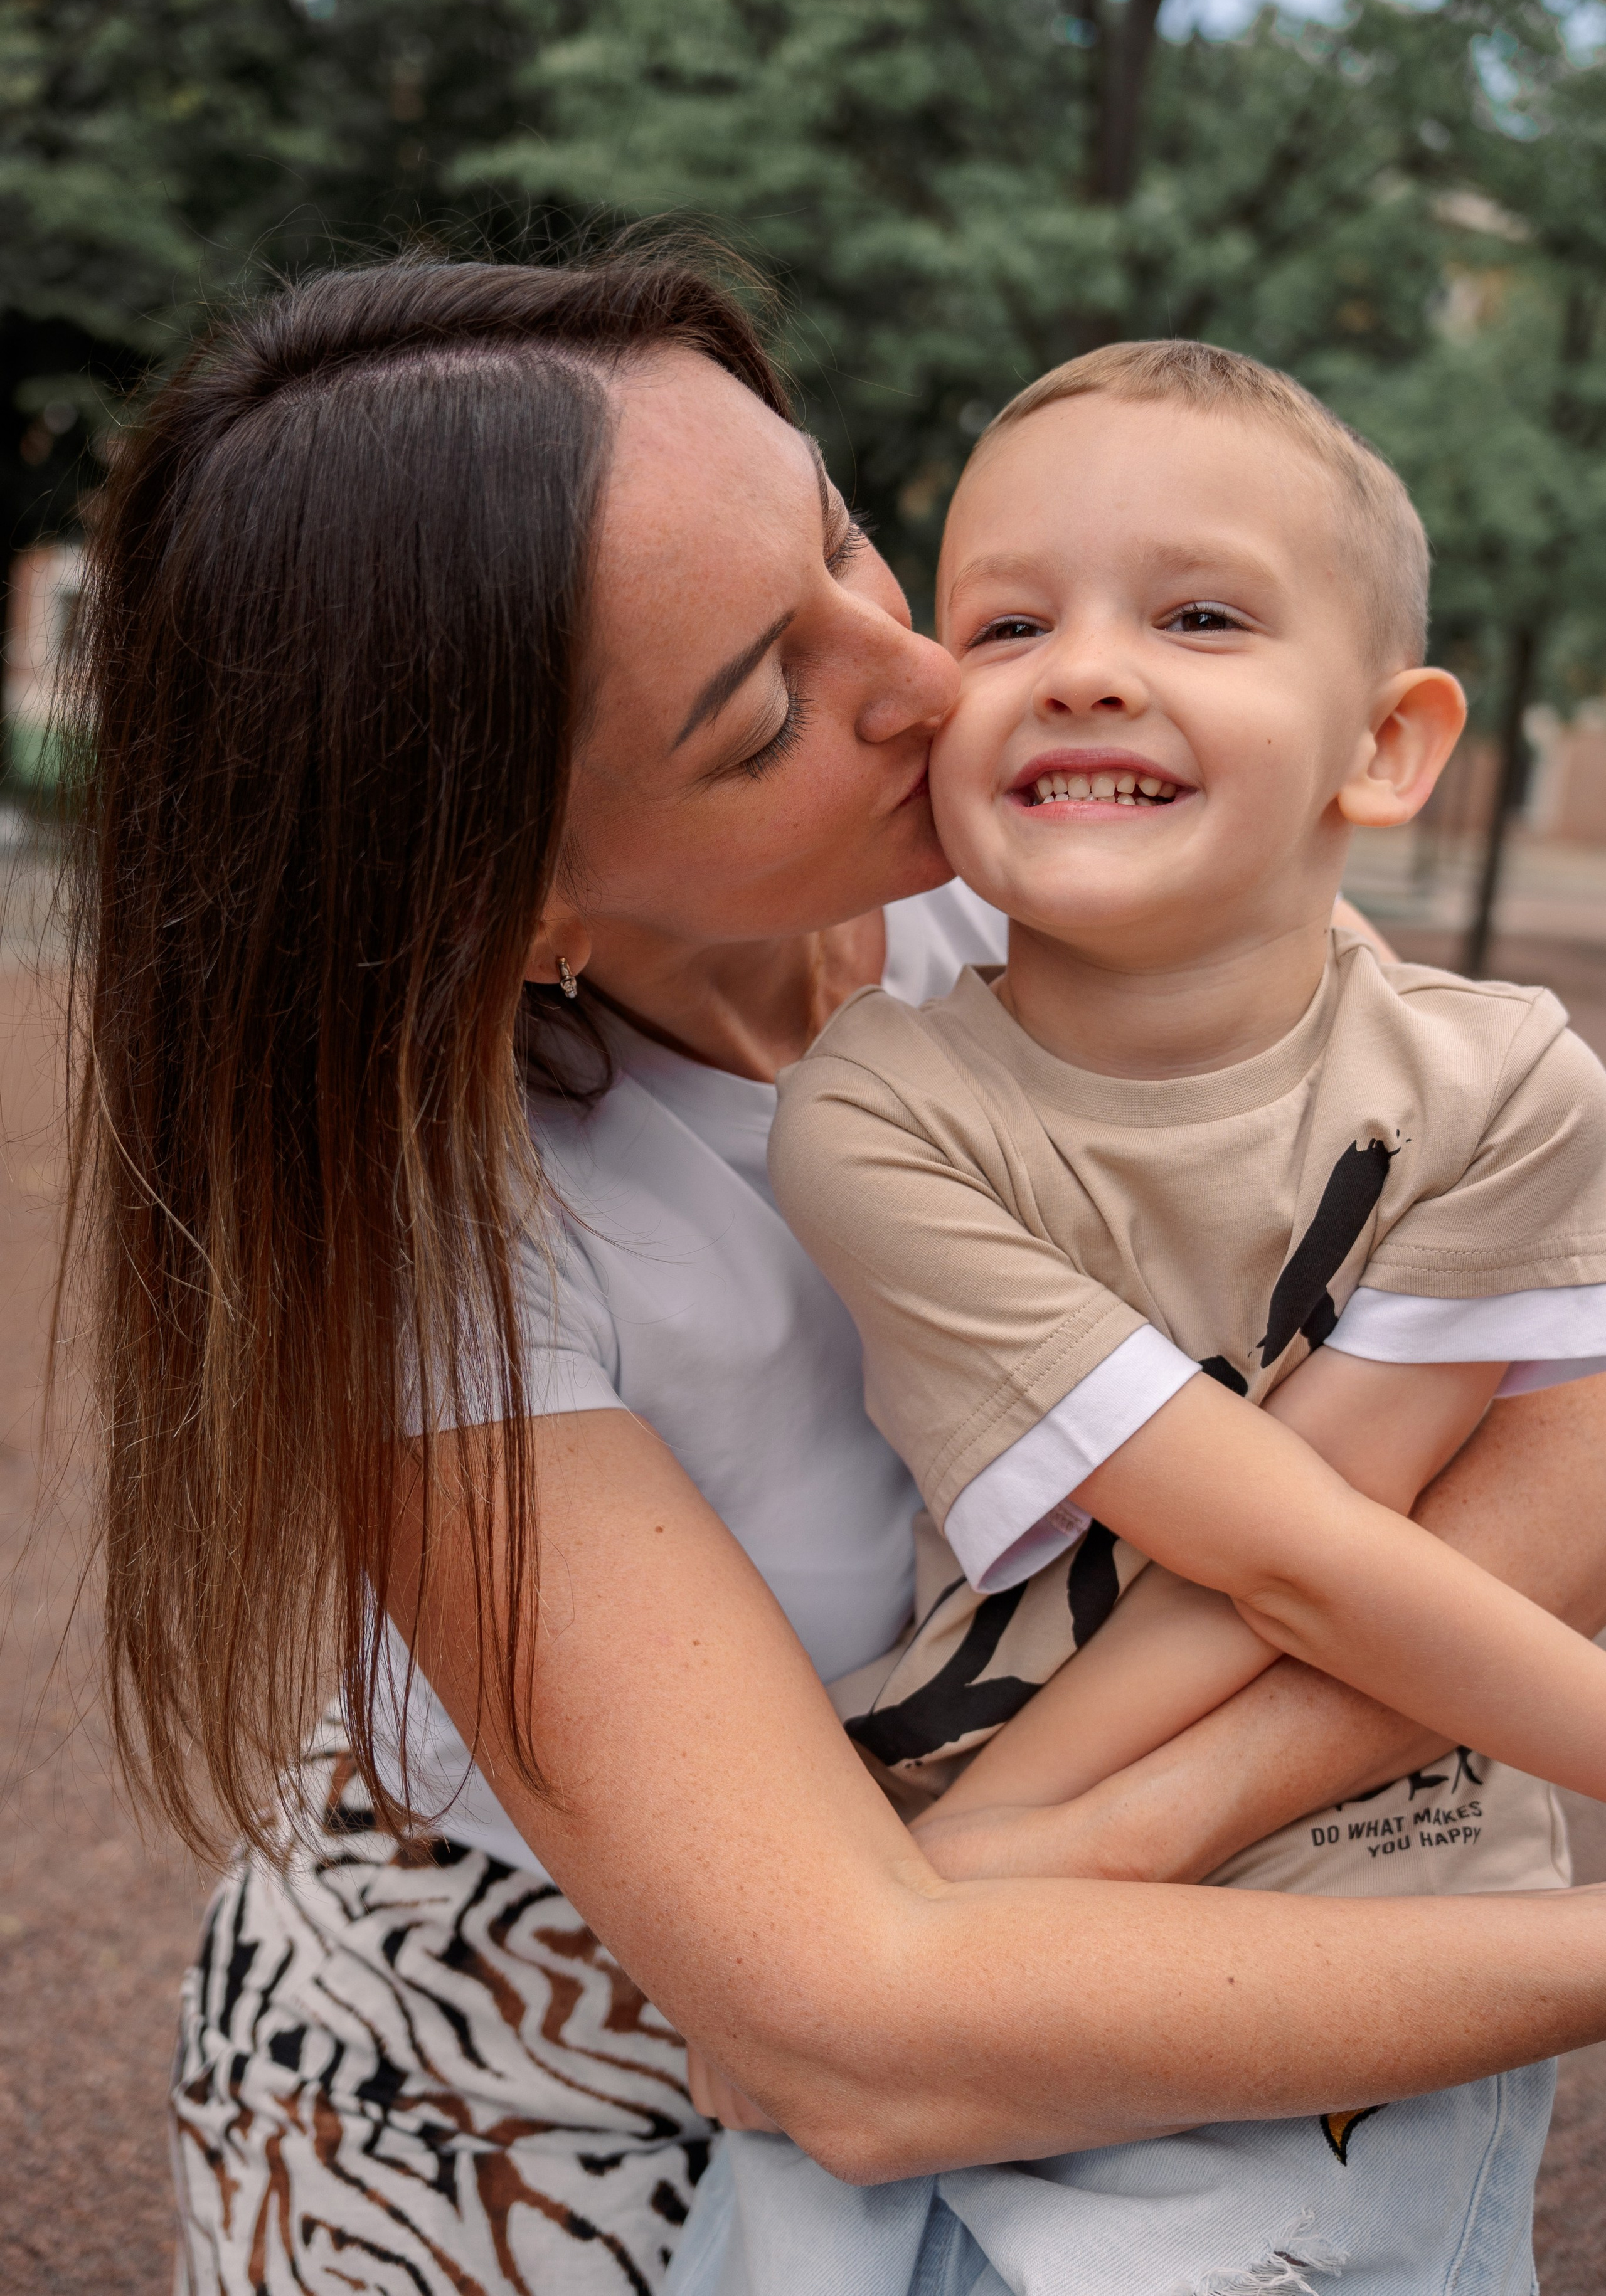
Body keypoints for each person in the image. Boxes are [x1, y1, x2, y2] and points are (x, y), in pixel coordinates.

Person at [58, 255, 1606, 2296]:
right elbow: (842, 2032)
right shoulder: (448, 1244)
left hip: (1049, 1905)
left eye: (845, 535)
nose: (923, 675)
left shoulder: (1038, 882)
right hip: (539, 2102)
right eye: (769, 701)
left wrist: (1072, 1846)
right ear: (513, 897)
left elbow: (1534, 1398)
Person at [670, 341, 1606, 2294]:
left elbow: (1335, 1527)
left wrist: (1012, 1854)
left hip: (1358, 1946)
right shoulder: (878, 1113)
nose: (1086, 665)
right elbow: (1285, 1554)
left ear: (1389, 743)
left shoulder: (1509, 1086)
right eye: (1010, 620)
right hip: (980, 1960)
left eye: (1197, 614)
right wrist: (963, 1888)